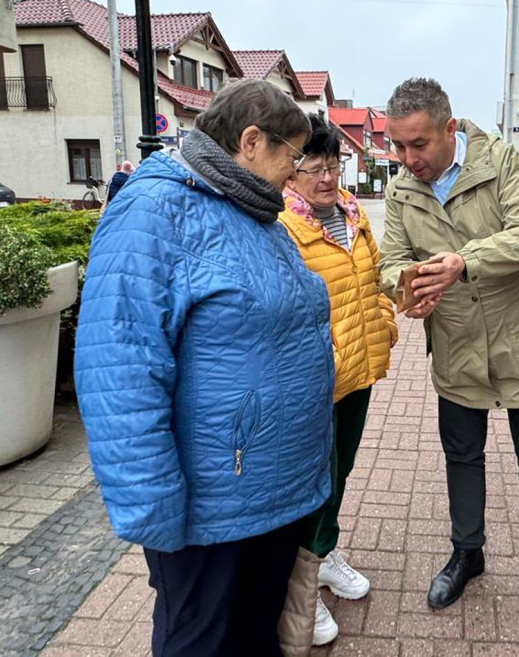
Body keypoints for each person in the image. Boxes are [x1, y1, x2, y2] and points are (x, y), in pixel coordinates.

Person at [74, 78, 335, 657]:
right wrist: (152, 505)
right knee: (202, 640)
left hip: (272, 492)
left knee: (255, 633)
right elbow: (119, 373)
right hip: (210, 505)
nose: (295, 173)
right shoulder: (153, 211)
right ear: (250, 141)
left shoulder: (254, 211)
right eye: (291, 156)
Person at [379, 78, 519, 615]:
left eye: (418, 144)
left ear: (448, 129)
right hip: (457, 345)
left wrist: (465, 261)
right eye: (397, 145)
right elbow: (391, 261)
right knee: (461, 455)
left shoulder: (502, 162)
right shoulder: (400, 190)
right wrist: (407, 290)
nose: (407, 158)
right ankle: (467, 554)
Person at [277, 114, 398, 647]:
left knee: (341, 470)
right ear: (290, 172)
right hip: (311, 384)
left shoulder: (352, 214)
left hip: (359, 371)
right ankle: (299, 586)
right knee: (311, 480)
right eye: (313, 168)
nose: (326, 179)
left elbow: (373, 281)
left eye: (332, 166)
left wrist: (386, 323)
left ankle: (322, 556)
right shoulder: (281, 225)